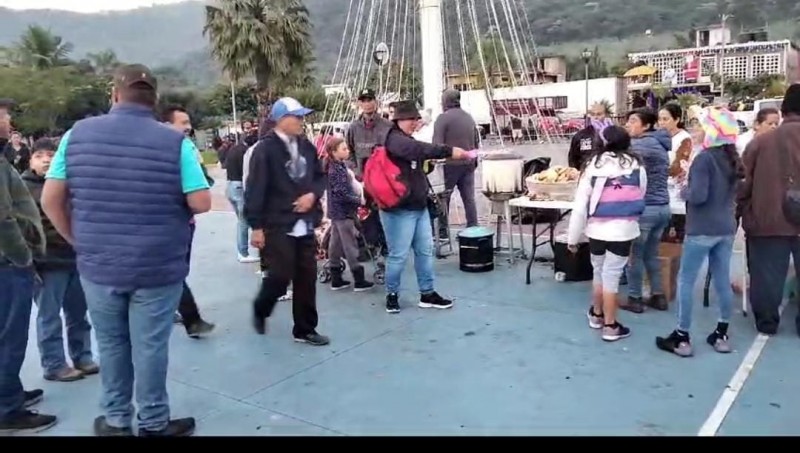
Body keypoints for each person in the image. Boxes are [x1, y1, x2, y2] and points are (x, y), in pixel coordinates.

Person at [41, 64, 210, 437]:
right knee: (150, 346)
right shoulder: (175, 142)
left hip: (99, 265)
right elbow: (201, 202)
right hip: (157, 266)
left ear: (115, 95)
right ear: (154, 100)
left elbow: (50, 198)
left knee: (111, 343)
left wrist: (76, 240)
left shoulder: (76, 135)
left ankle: (116, 420)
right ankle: (153, 421)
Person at [657, 107, 743, 357]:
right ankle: (722, 333)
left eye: (701, 125)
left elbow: (698, 196)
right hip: (726, 228)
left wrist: (684, 188)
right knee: (721, 280)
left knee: (686, 280)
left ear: (712, 131)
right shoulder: (731, 158)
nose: (696, 129)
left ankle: (682, 336)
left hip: (702, 228)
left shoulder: (704, 159)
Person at [245, 97, 328, 345]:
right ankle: (262, 306)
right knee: (280, 275)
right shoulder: (265, 150)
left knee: (307, 276)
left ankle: (305, 328)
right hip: (278, 222)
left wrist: (312, 195)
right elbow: (255, 189)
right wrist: (256, 226)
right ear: (281, 119)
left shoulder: (306, 146)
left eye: (302, 116)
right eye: (297, 117)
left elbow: (319, 176)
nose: (301, 121)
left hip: (305, 222)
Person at [378, 100, 471, 314]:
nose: (415, 122)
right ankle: (392, 294)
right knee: (398, 255)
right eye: (411, 119)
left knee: (424, 251)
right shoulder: (395, 140)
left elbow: (417, 158)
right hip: (398, 209)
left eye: (416, 119)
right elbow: (419, 149)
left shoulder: (405, 140)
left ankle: (427, 293)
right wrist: (450, 151)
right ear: (398, 120)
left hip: (418, 206)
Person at [0, 101, 57, 434]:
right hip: (7, 264)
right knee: (10, 337)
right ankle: (8, 410)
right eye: (4, 117)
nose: (8, 122)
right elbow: (3, 219)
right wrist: (23, 256)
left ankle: (9, 391)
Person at [22, 138, 98, 382]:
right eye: (39, 156)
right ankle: (54, 364)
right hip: (46, 263)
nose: (46, 160)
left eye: (51, 155)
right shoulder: (23, 189)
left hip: (75, 259)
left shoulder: (70, 185)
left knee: (79, 313)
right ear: (30, 161)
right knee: (49, 316)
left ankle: (82, 356)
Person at [567, 126, 645, 342]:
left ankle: (597, 314)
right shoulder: (637, 165)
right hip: (624, 230)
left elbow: (580, 207)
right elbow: (641, 193)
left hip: (597, 230)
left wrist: (573, 239)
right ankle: (611, 326)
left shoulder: (592, 166)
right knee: (612, 276)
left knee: (599, 271)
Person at [738, 84, 800, 336]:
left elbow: (743, 184)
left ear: (783, 110)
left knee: (766, 275)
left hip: (767, 219)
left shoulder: (760, 143)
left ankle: (767, 323)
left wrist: (741, 213)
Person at [162, 106, 216, 338]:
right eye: (182, 122)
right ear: (166, 125)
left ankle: (176, 311)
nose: (188, 127)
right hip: (170, 222)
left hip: (184, 220)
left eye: (188, 122)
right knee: (174, 271)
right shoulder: (170, 150)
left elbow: (203, 180)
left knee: (175, 270)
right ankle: (191, 318)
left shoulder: (187, 147)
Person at [622, 107, 672, 313]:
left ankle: (634, 298)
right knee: (651, 254)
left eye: (633, 121)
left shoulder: (639, 146)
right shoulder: (660, 143)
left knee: (635, 255)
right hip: (663, 208)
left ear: (647, 125)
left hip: (646, 209)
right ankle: (658, 296)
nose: (628, 125)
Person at [323, 137, 373, 291]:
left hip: (336, 211)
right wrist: (359, 201)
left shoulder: (334, 167)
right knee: (350, 245)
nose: (347, 151)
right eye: (343, 149)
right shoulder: (337, 170)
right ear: (334, 152)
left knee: (335, 244)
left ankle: (336, 277)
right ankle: (358, 279)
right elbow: (342, 193)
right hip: (344, 211)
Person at [432, 89, 480, 231]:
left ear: (445, 101)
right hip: (468, 163)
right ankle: (473, 228)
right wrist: (474, 161)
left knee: (443, 199)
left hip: (449, 164)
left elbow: (437, 145)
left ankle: (443, 232)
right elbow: (476, 142)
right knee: (469, 199)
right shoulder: (469, 117)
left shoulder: (442, 118)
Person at [224, 132, 259, 263]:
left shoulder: (234, 149)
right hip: (239, 186)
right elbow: (247, 172)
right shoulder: (246, 152)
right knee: (244, 221)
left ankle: (243, 250)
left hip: (230, 185)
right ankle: (243, 252)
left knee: (241, 220)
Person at [347, 88, 393, 176]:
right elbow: (349, 151)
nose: (367, 104)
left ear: (375, 102)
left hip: (383, 176)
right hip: (361, 176)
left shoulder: (387, 126)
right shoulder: (353, 127)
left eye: (369, 100)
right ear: (359, 103)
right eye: (363, 101)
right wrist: (355, 170)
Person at [568, 103, 613, 170]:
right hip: (585, 172)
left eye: (599, 114)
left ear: (606, 115)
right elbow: (573, 158)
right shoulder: (581, 135)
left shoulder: (613, 134)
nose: (596, 117)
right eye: (593, 114)